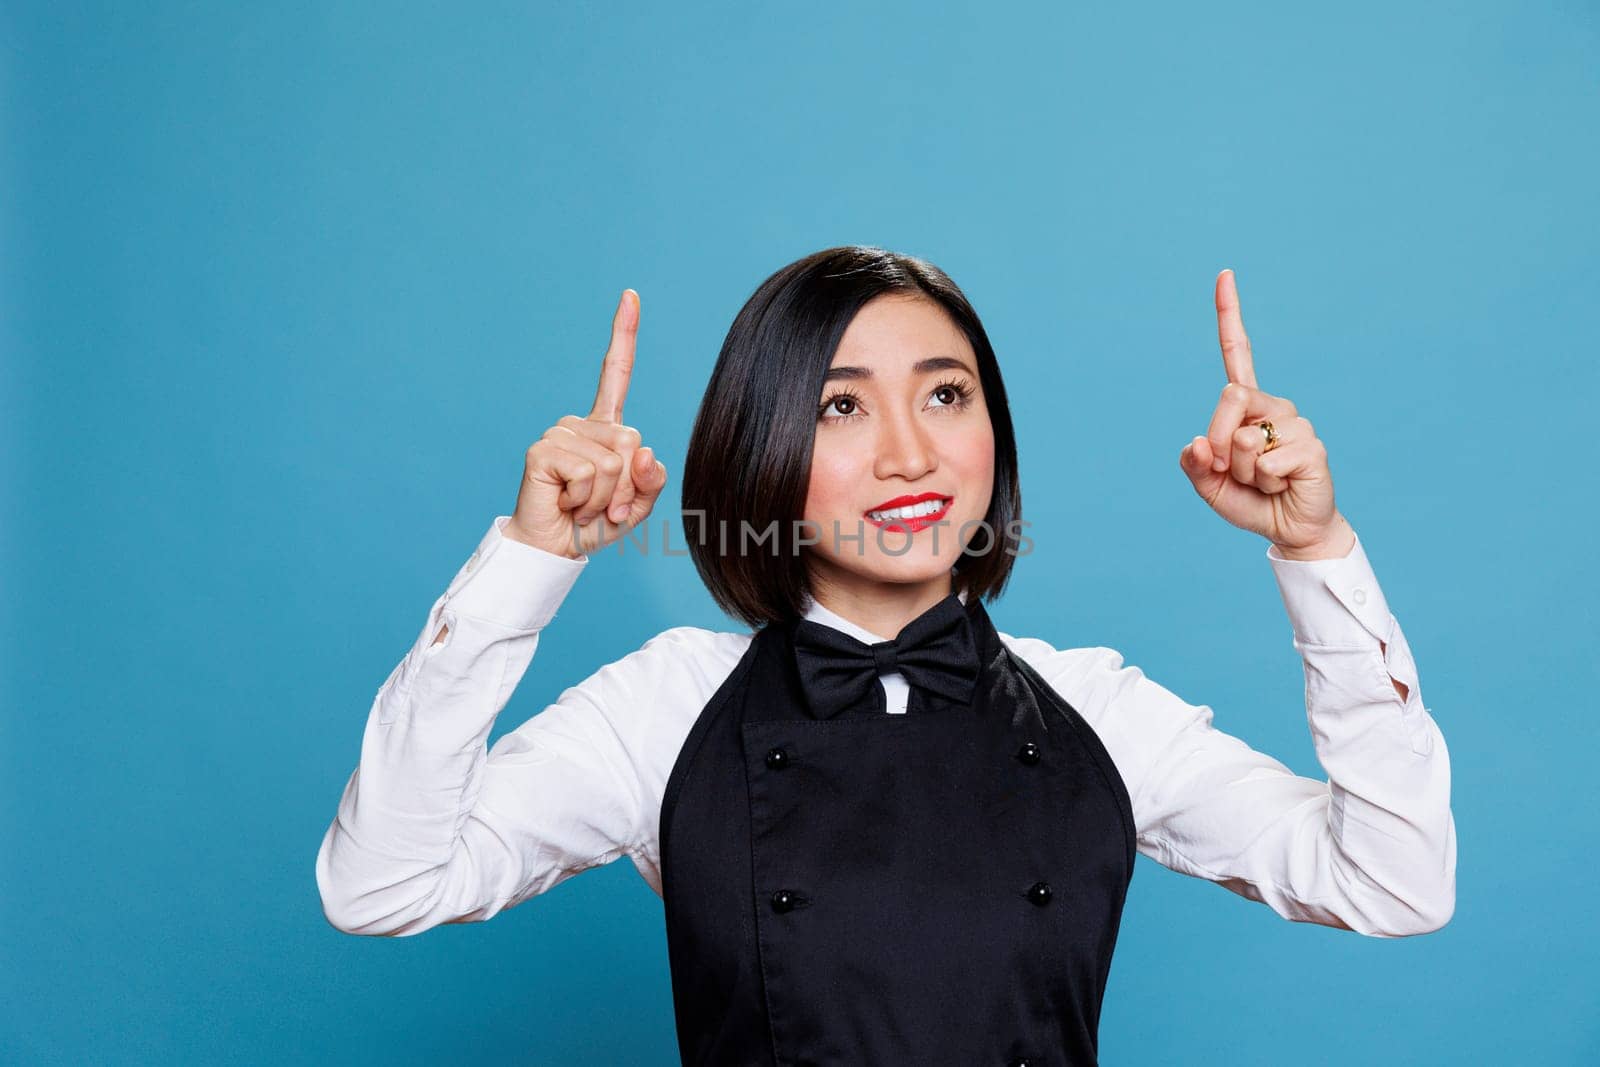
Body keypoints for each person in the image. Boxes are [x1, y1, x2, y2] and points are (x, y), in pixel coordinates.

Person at [315, 247, 1456, 1066]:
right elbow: (382, 884)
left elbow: (1392, 882)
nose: (911, 454)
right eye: (840, 408)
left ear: (992, 432)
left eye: (945, 395)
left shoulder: (1095, 705)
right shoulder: (664, 705)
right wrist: (528, 557)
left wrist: (1313, 551)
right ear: (760, 447)